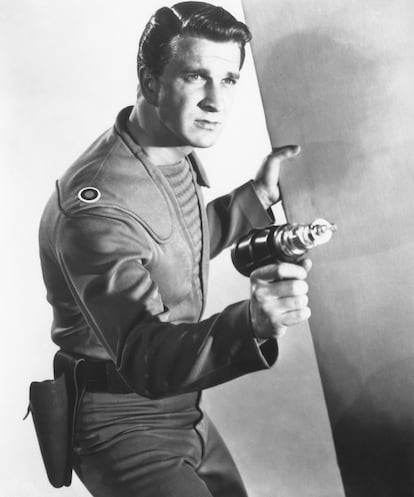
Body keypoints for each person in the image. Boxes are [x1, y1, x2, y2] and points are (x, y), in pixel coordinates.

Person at [38, 2, 311, 496]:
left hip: (184, 404)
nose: (215, 101)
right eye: (195, 76)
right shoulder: (96, 209)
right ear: (150, 80)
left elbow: (170, 247)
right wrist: (249, 322)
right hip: (122, 423)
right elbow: (144, 357)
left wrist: (257, 196)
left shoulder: (163, 148)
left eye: (228, 80)